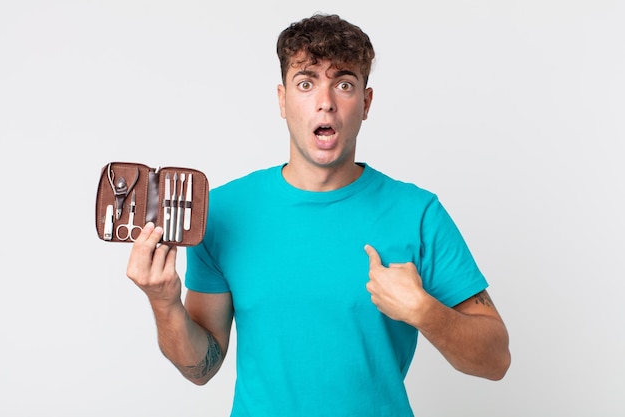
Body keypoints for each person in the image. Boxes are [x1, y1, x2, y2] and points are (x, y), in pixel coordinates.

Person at [126, 13, 511, 416]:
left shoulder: (417, 213)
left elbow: (495, 359)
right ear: (282, 99)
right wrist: (163, 301)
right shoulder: (222, 211)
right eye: (306, 83)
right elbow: (201, 367)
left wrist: (425, 311)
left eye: (343, 84)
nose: (325, 102)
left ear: (365, 103)